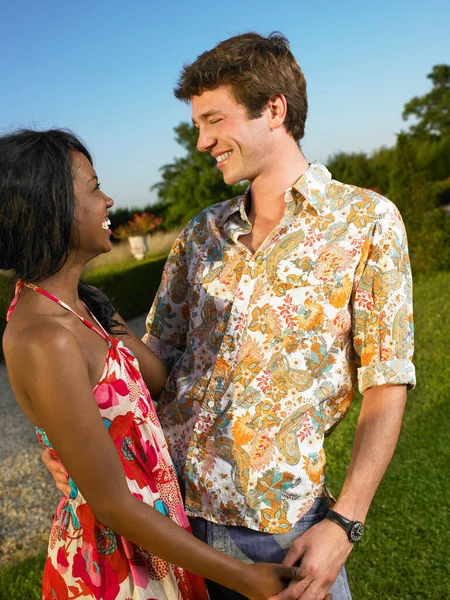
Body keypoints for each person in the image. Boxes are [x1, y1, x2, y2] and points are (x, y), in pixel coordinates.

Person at [45, 32, 415, 600]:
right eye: (198, 124)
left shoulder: (367, 222)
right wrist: (83, 442)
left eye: (213, 120)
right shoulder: (200, 233)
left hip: (279, 532)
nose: (201, 141)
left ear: (274, 109)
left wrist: (345, 522)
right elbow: (153, 367)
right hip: (170, 523)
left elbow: (386, 383)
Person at [0, 128, 303, 600]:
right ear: (51, 206)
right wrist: (243, 576)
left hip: (159, 536)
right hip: (118, 562)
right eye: (94, 186)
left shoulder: (85, 306)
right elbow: (113, 504)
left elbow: (161, 383)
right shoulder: (44, 339)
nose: (109, 200)